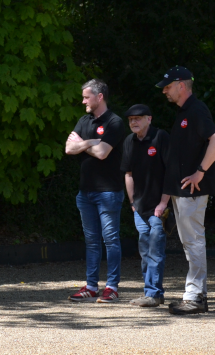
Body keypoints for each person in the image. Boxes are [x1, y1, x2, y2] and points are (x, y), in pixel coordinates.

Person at [155, 66, 215, 315]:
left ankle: (194, 296)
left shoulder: (195, 110)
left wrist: (201, 171)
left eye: (168, 86)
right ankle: (197, 295)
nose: (164, 91)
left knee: (193, 242)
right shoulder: (185, 112)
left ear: (181, 85)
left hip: (192, 191)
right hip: (183, 192)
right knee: (191, 242)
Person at [65, 79, 126, 303]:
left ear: (99, 97)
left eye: (86, 97)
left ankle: (112, 287)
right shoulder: (84, 120)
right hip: (85, 193)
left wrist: (83, 143)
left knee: (110, 239)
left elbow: (103, 153)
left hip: (108, 192)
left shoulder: (115, 122)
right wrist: (91, 141)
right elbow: (69, 148)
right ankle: (91, 286)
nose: (83, 101)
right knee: (91, 241)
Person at [120, 104, 171, 307]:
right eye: (131, 119)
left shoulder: (160, 137)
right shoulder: (129, 141)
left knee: (155, 250)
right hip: (139, 209)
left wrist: (163, 203)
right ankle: (151, 292)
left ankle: (154, 293)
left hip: (159, 208)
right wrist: (132, 202)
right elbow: (128, 173)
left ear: (149, 119)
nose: (134, 122)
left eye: (138, 118)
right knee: (145, 251)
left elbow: (170, 173)